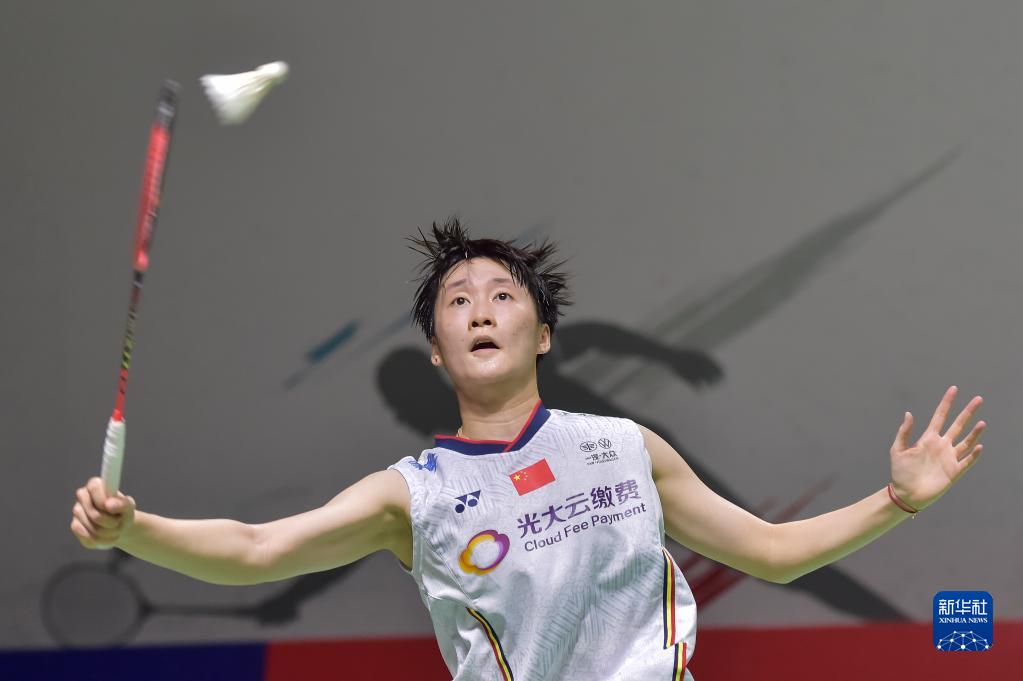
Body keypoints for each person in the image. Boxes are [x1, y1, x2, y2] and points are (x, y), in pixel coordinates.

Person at [71, 217, 987, 680]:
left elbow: (773, 551)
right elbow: (256, 547)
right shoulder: (412, 496)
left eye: (502, 295)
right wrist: (135, 530)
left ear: (542, 334)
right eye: (457, 300)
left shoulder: (625, 447)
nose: (479, 308)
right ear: (437, 350)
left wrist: (897, 500)